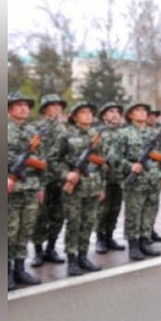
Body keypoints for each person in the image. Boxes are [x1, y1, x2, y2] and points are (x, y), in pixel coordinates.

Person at [108, 102, 161, 261]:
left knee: (149, 211)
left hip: (152, 179)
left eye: (144, 111)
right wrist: (130, 166)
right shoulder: (124, 134)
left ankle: (144, 241)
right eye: (138, 110)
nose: (142, 113)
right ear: (130, 115)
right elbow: (113, 157)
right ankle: (133, 244)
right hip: (135, 181)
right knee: (134, 213)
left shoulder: (153, 133)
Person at [55, 101, 105, 276]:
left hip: (93, 185)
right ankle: (72, 260)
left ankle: (84, 256)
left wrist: (102, 186)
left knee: (89, 222)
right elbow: (54, 160)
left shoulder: (96, 135)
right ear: (74, 116)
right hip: (75, 186)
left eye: (90, 112)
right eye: (83, 112)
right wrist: (66, 175)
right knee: (74, 223)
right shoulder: (66, 135)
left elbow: (102, 162)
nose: (88, 115)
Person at [7, 92, 47, 290]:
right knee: (9, 231)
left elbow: (42, 161)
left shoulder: (34, 132)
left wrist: (40, 186)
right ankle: (6, 271)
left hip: (30, 188)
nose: (23, 108)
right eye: (18, 105)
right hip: (11, 189)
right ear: (9, 109)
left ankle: (20, 269)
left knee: (25, 230)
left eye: (26, 105)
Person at [29, 94, 68, 269]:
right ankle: (38, 251)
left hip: (59, 180)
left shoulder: (65, 129)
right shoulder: (36, 128)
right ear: (45, 109)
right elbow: (32, 155)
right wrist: (37, 183)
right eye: (52, 106)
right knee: (40, 217)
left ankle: (51, 248)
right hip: (42, 179)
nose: (56, 109)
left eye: (58, 106)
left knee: (58, 216)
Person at [94, 102, 127, 254]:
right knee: (103, 210)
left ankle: (109, 236)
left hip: (119, 177)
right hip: (104, 178)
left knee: (115, 208)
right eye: (111, 111)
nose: (115, 114)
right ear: (104, 116)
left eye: (117, 111)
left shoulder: (124, 133)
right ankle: (100, 238)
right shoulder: (98, 133)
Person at [146, 106, 161, 242]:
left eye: (155, 115)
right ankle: (143, 233)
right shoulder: (139, 132)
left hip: (156, 172)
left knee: (153, 204)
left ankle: (150, 229)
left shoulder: (158, 132)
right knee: (143, 205)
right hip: (143, 172)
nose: (153, 118)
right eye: (150, 115)